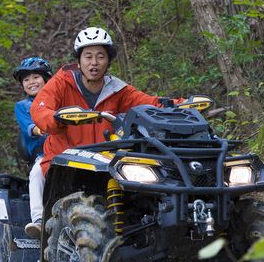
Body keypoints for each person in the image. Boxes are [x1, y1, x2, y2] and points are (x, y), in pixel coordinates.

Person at [30, 26, 176, 178]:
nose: (94, 62)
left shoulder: (117, 89)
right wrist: (57, 119)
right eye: (88, 56)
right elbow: (40, 109)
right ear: (78, 62)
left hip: (106, 165)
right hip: (63, 164)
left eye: (100, 57)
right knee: (39, 184)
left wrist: (181, 105)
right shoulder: (61, 83)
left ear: (108, 62)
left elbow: (151, 103)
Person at [13, 56, 53, 239]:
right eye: (26, 79)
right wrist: (43, 127)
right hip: (43, 154)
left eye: (35, 77)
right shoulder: (22, 106)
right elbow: (29, 128)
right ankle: (38, 221)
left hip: (68, 151)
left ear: (46, 79)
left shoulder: (59, 101)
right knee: (37, 173)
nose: (31, 82)